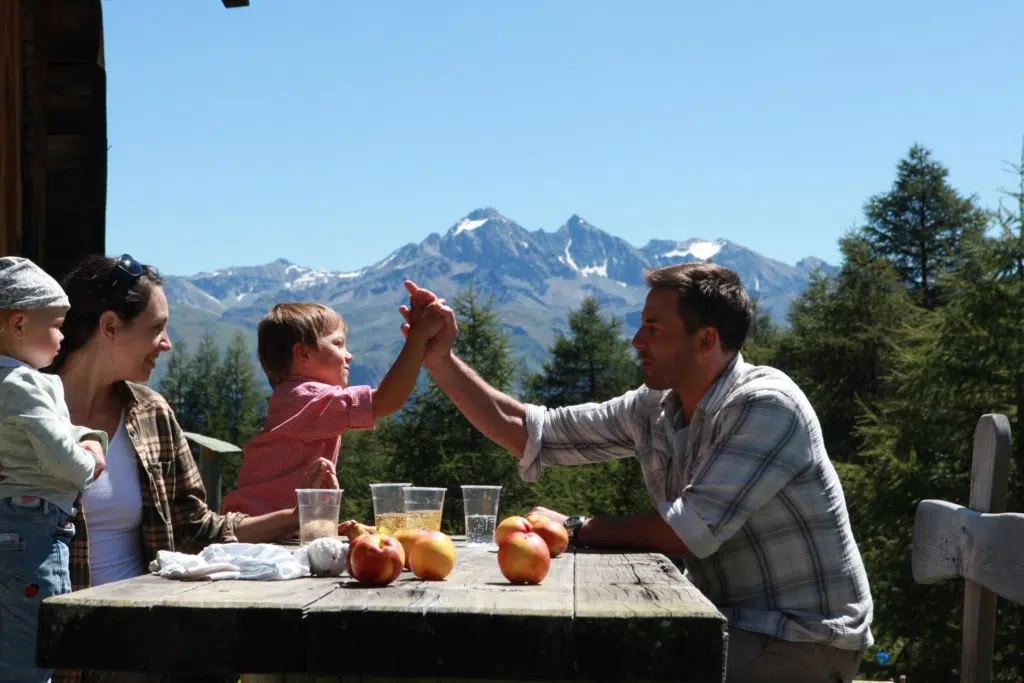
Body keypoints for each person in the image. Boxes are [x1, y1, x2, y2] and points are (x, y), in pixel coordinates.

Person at [400, 263, 874, 683]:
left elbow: (687, 531)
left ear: (706, 339)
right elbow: (531, 432)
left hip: (804, 641)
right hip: (726, 620)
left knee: (607, 663)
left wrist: (574, 528)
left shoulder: (766, 405)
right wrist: (439, 358)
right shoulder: (657, 407)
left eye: (653, 327)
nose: (636, 341)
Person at [43, 254, 338, 683]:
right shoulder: (21, 415)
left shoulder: (150, 413)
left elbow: (197, 530)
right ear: (109, 327)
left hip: (142, 636)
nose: (167, 344)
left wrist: (295, 517)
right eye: (156, 328)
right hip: (55, 648)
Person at [222, 300, 446, 516]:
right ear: (303, 354)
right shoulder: (307, 397)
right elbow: (386, 401)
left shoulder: (292, 396)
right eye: (338, 344)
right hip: (268, 531)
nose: (349, 355)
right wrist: (417, 339)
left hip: (258, 522)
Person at [0, 257, 110, 683]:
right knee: (31, 652)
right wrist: (91, 458)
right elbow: (63, 462)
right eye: (56, 324)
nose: (63, 336)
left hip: (14, 522)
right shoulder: (23, 385)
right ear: (20, 325)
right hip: (34, 531)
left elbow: (48, 432)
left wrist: (86, 435)